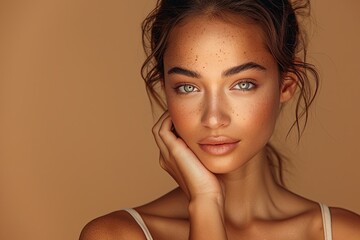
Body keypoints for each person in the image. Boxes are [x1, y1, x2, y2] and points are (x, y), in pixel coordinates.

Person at [79, 0, 360, 239]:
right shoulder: (116, 234)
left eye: (243, 84)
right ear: (165, 88)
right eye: (188, 87)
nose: (213, 118)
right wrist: (204, 203)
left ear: (286, 85)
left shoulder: (344, 233)